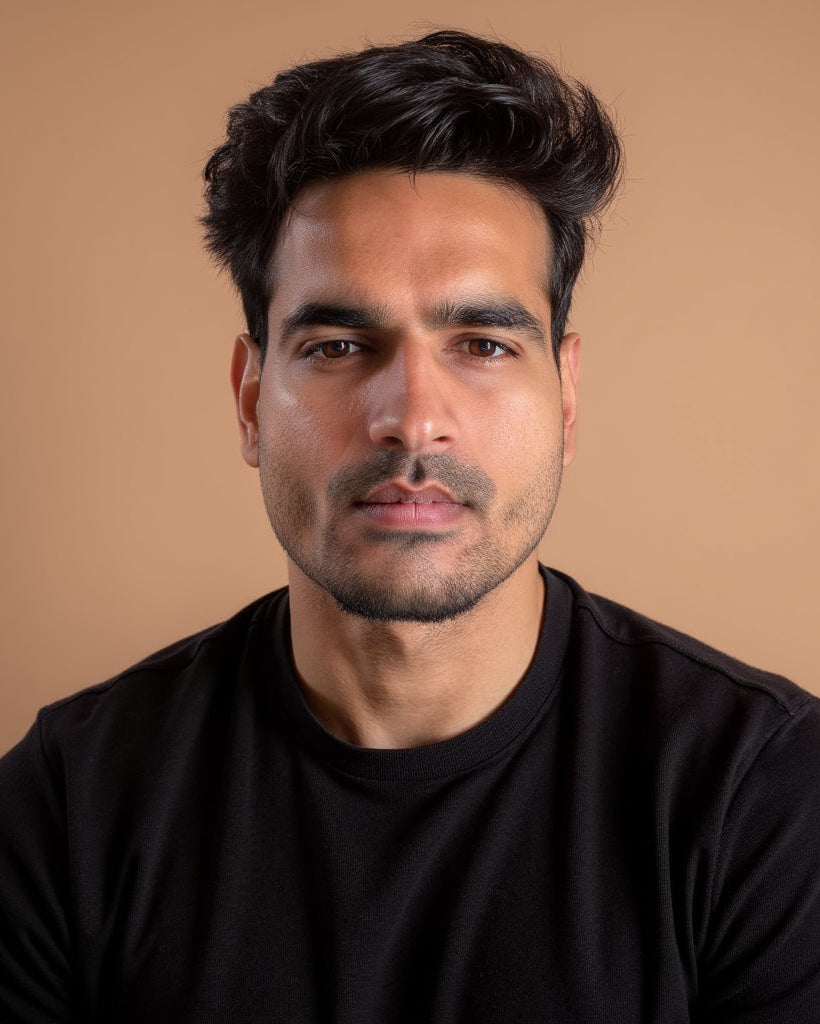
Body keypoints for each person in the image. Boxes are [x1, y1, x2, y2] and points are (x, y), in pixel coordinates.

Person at [0, 29, 817, 1024]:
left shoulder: (762, 792)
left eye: (480, 342)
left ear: (563, 397)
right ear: (251, 400)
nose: (411, 415)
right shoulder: (71, 800)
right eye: (340, 344)